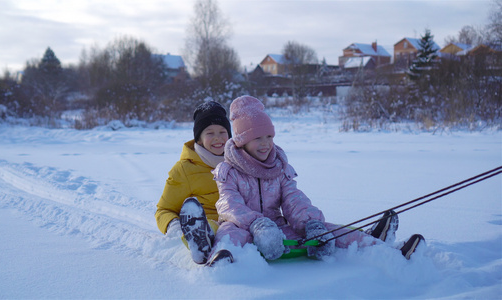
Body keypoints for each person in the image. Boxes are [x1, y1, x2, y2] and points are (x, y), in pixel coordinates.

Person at [212, 95, 425, 262]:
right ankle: (221, 261)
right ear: (241, 141)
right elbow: (229, 205)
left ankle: (386, 251)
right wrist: (257, 224)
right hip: (244, 227)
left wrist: (311, 223)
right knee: (229, 234)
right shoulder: (229, 171)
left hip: (277, 230)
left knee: (331, 230)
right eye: (257, 138)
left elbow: (293, 198)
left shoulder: (279, 167)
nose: (266, 143)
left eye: (269, 137)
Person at [155, 101, 234, 266]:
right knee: (213, 228)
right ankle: (202, 243)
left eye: (222, 131)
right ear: (198, 138)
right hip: (208, 225)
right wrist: (174, 227)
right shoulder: (184, 169)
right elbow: (164, 209)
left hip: (238, 224)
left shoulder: (239, 163)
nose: (218, 138)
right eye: (210, 133)